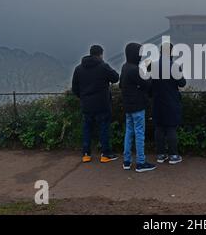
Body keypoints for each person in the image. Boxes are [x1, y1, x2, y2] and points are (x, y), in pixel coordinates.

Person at [72, 45, 120, 163]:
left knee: (87, 129)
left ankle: (86, 154)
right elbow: (115, 78)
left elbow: (75, 88)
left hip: (86, 105)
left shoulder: (78, 69)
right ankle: (105, 154)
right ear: (100, 54)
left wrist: (83, 97)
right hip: (102, 104)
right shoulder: (103, 66)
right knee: (104, 128)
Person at [119, 42, 155, 172]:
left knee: (129, 133)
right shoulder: (135, 70)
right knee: (140, 134)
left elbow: (120, 85)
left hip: (128, 106)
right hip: (138, 106)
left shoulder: (125, 67)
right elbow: (147, 84)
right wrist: (149, 70)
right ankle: (141, 162)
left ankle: (127, 161)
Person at [151, 43, 186, 165]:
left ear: (160, 52)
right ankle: (173, 155)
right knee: (171, 128)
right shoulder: (174, 66)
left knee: (159, 128)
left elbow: (149, 85)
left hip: (157, 102)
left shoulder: (153, 66)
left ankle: (160, 155)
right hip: (171, 102)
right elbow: (182, 83)